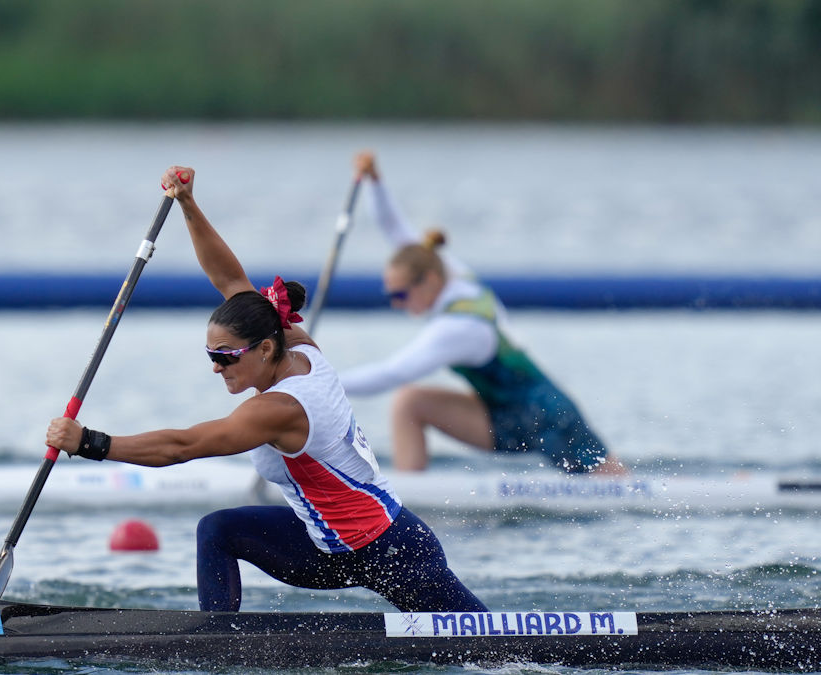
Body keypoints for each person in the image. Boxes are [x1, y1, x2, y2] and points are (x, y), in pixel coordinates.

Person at [46, 165, 487, 614]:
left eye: (225, 356)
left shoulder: (280, 409)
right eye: (211, 355)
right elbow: (231, 281)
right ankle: (217, 646)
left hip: (392, 551)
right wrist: (188, 204)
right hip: (327, 548)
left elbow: (184, 445)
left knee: (497, 648)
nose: (217, 368)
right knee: (217, 530)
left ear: (265, 349)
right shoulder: (294, 342)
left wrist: (89, 442)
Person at [339, 151, 626, 475]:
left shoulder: (457, 328)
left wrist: (318, 382)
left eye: (401, 294)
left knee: (620, 488)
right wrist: (375, 181)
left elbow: (390, 374)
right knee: (410, 403)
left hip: (547, 416)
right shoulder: (445, 270)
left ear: (429, 282)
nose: (397, 303)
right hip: (500, 412)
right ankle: (405, 501)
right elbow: (393, 228)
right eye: (391, 295)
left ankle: (402, 499)